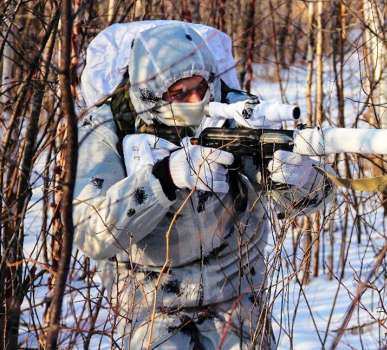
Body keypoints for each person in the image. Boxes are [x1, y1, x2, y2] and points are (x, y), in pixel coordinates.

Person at [73, 22, 332, 349]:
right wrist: (164, 179)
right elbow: (90, 234)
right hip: (151, 302)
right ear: (150, 92)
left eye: (201, 87)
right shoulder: (107, 129)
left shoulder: (237, 110)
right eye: (180, 93)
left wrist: (300, 179)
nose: (196, 100)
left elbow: (314, 197)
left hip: (235, 293)